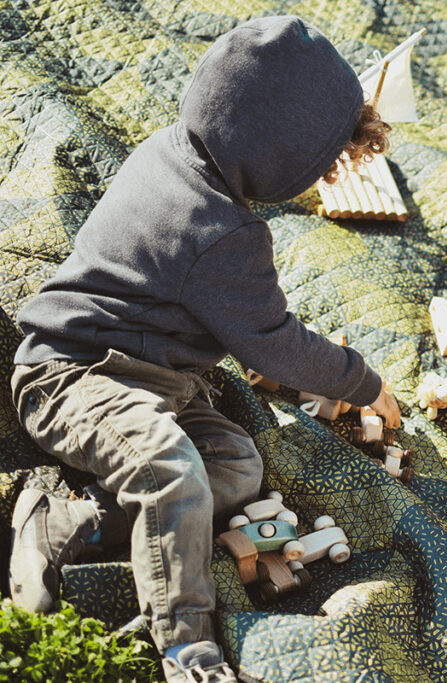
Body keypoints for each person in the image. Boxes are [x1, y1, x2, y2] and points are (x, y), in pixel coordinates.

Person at [7, 16, 400, 682]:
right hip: (71, 374)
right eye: (319, 162)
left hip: (154, 379)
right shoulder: (221, 231)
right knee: (170, 469)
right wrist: (362, 381)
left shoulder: (174, 148)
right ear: (278, 156)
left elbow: (222, 311)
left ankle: (83, 518)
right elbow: (275, 342)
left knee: (237, 465)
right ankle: (186, 646)